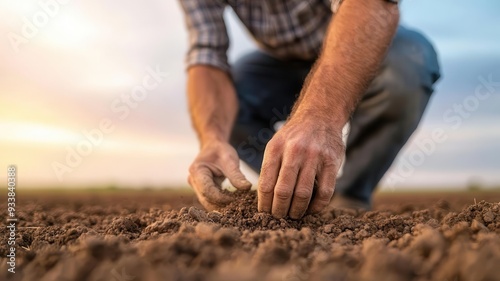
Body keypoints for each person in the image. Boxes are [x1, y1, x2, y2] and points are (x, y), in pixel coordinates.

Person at [179, 0, 440, 219]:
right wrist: (212, 138)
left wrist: (319, 117)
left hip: (359, 41)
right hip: (281, 62)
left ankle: (351, 196)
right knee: (230, 104)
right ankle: (300, 187)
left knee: (407, 68)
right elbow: (206, 53)